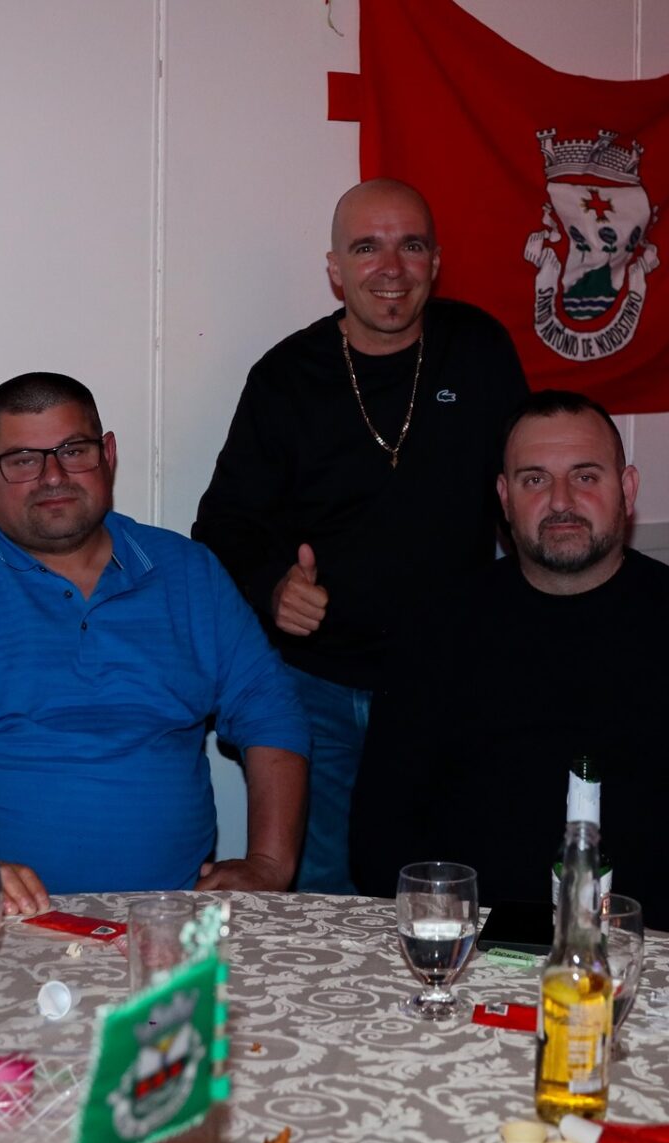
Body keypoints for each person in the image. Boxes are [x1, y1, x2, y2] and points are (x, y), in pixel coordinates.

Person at [0, 372, 308, 908]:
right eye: (22, 459)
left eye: (73, 450)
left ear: (107, 454)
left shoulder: (188, 573)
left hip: (168, 918)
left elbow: (270, 710)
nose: (53, 476)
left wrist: (269, 865)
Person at [350, 391, 669, 940]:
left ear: (627, 489)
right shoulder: (434, 634)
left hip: (661, 952)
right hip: (474, 948)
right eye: (534, 479)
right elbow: (380, 839)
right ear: (504, 497)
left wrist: (627, 941)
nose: (561, 501)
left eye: (585, 476)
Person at [193, 178, 529, 895]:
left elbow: (524, 489)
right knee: (328, 891)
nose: (391, 267)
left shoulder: (479, 350)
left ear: (436, 261)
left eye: (412, 245)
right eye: (367, 247)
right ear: (335, 269)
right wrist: (273, 586)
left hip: (451, 679)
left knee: (451, 885)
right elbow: (221, 526)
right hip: (318, 686)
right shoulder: (286, 377)